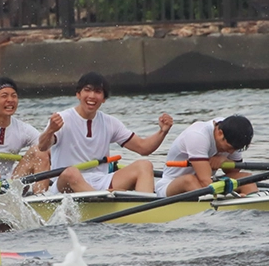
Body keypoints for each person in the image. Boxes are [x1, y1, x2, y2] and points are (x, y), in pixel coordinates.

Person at [38, 72, 173, 193]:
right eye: (87, 90)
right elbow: (42, 147)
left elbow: (143, 148)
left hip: (101, 181)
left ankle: (144, 208)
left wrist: (162, 132)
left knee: (144, 165)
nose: (92, 96)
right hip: (66, 183)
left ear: (103, 98)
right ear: (78, 94)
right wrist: (50, 130)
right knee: (71, 172)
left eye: (98, 92)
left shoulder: (110, 123)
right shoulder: (63, 118)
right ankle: (103, 199)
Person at [155, 116, 256, 197]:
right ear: (220, 133)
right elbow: (205, 181)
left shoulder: (234, 133)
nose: (231, 152)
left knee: (246, 179)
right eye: (229, 148)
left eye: (236, 149)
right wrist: (232, 196)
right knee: (189, 180)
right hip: (171, 185)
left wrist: (225, 161)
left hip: (205, 185)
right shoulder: (198, 136)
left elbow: (234, 171)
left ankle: (251, 205)